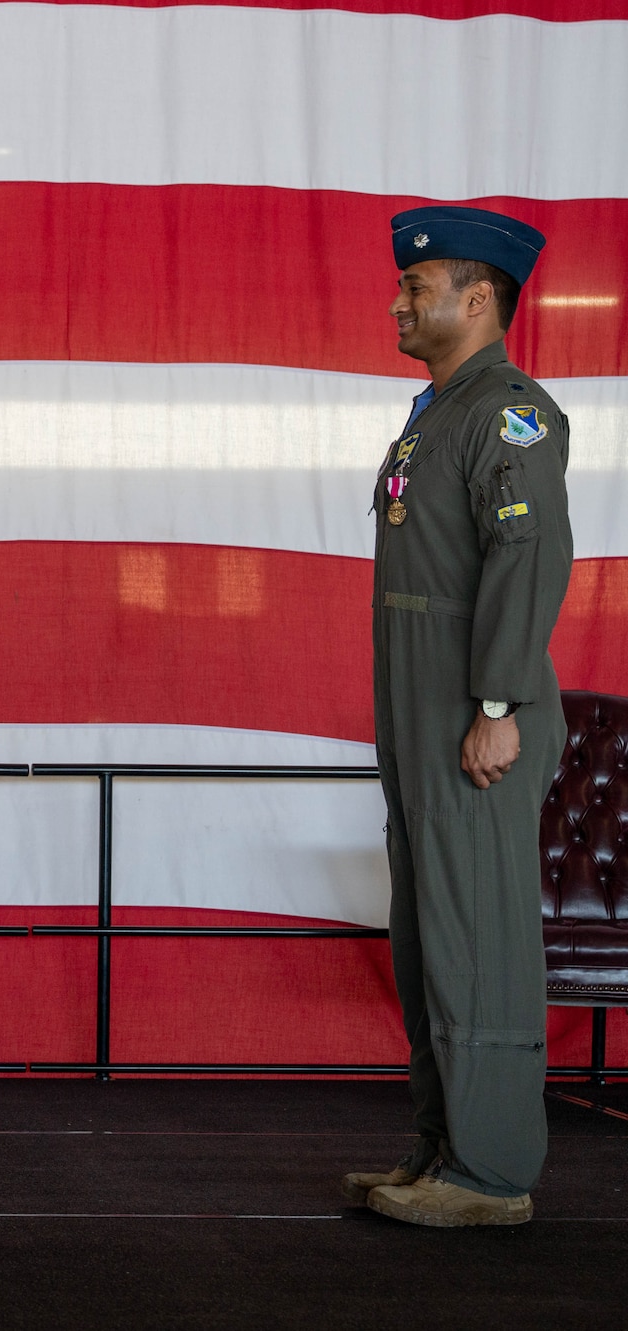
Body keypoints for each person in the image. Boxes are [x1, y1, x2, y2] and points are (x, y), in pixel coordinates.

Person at [340, 206, 573, 1228]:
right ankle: (438, 1146)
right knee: (428, 931)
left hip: (473, 703)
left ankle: (488, 1171)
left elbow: (525, 559)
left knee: (476, 931)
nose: (397, 299)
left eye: (416, 284)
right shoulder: (434, 409)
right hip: (418, 695)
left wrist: (496, 703)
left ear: (477, 297)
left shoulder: (509, 412)